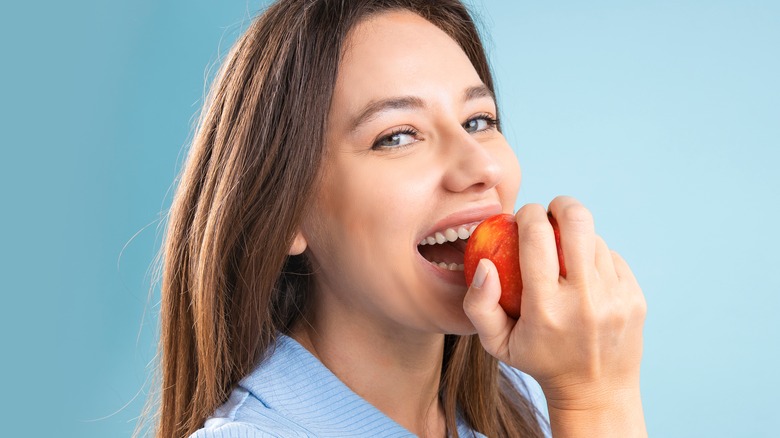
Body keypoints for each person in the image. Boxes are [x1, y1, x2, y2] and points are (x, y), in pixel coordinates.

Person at [147, 0, 648, 437]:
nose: (481, 166)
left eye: (479, 122)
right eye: (397, 136)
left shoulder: (513, 410)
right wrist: (595, 399)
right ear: (286, 215)